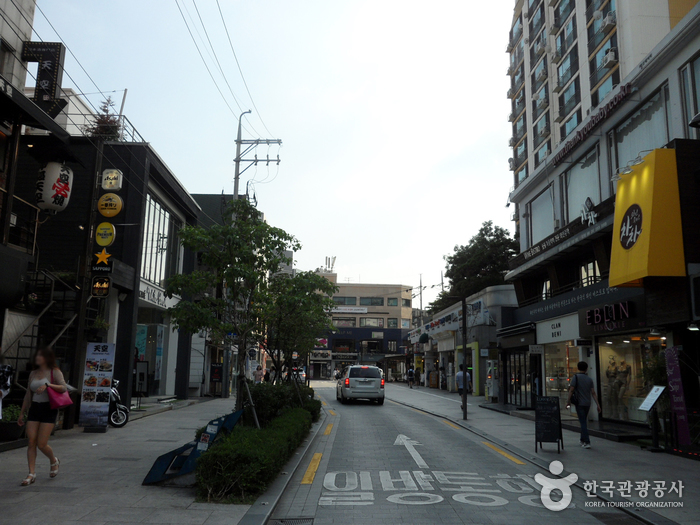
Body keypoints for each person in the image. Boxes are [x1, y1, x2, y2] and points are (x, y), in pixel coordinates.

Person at [18, 347, 67, 486]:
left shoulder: (54, 372)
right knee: (31, 441)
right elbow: (28, 394)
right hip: (34, 408)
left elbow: (64, 388)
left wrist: (48, 385)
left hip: (49, 408)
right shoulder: (33, 373)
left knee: (41, 443)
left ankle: (53, 460)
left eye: (40, 355)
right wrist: (22, 413)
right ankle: (31, 473)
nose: (37, 358)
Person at [566, 361, 602, 449]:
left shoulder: (576, 377)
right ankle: (582, 439)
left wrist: (568, 401)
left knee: (582, 422)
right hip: (587, 403)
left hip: (579, 403)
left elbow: (571, 390)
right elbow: (593, 392)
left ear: (578, 368)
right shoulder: (589, 379)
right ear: (586, 369)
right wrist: (598, 404)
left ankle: (587, 441)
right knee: (583, 421)